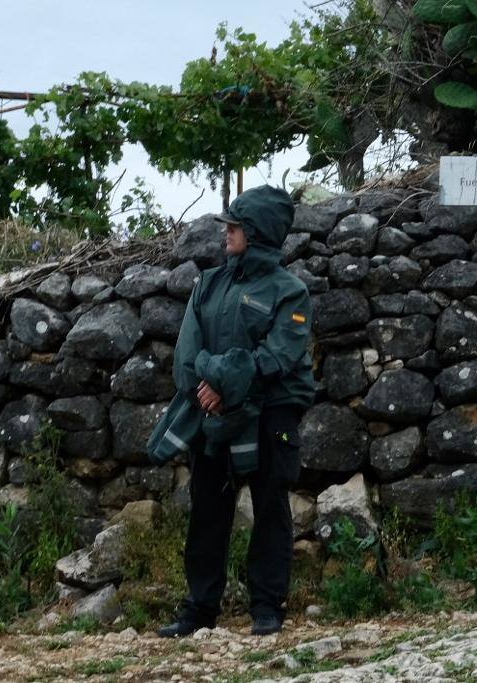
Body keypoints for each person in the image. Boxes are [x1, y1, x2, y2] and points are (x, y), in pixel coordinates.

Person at [151, 185, 315, 637]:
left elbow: (277, 357)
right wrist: (211, 384)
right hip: (212, 412)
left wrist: (223, 385)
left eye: (236, 226)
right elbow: (188, 353)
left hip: (270, 414)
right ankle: (199, 610)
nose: (227, 233)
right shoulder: (209, 283)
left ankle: (267, 607)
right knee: (208, 508)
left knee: (270, 506)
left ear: (257, 232)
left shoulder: (291, 292)